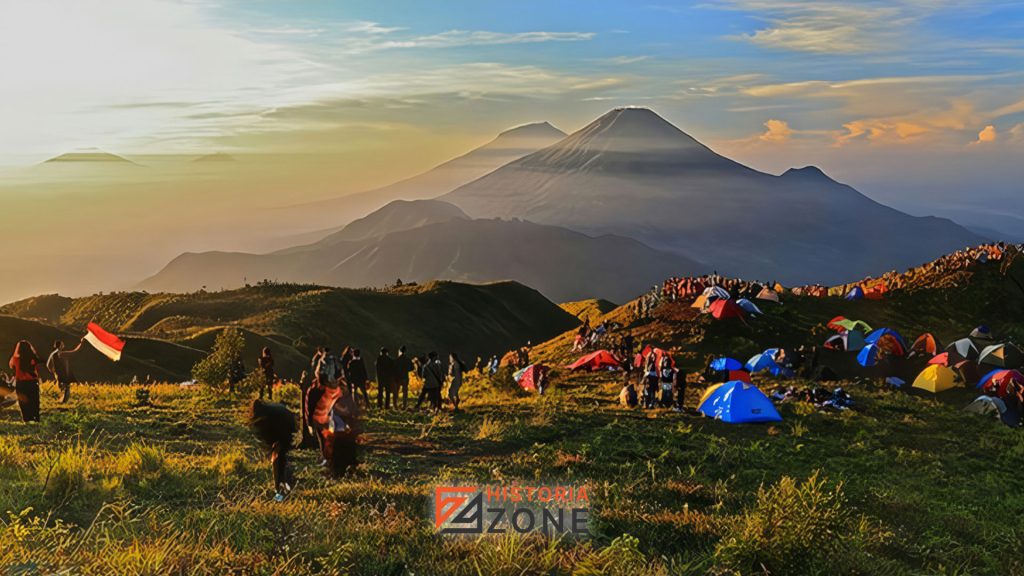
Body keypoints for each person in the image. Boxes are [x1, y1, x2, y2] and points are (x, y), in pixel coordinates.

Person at [249, 398, 297, 502]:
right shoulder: (270, 411)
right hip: (286, 427)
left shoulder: (269, 416)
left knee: (279, 462)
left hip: (284, 427)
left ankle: (280, 494)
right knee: (281, 460)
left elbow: (269, 436)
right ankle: (283, 490)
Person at [9, 341, 43, 422]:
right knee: (34, 400)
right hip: (32, 383)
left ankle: (26, 419)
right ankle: (35, 418)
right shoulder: (33, 358)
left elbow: (11, 366)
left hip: (21, 383)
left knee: (23, 402)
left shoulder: (15, 359)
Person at [47, 338, 84, 403]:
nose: (63, 345)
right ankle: (63, 402)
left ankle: (62, 401)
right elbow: (74, 351)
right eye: (62, 344)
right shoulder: (59, 353)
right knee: (66, 387)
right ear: (60, 345)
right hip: (62, 373)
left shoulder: (54, 353)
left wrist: (53, 371)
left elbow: (48, 364)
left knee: (64, 387)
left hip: (59, 373)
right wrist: (81, 343)